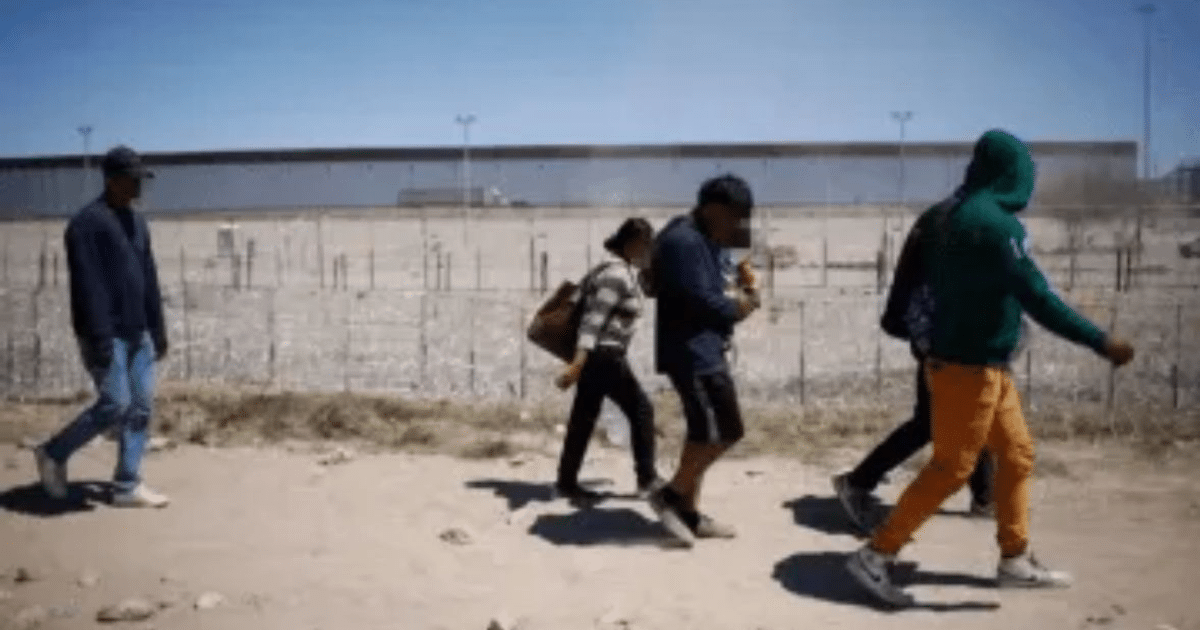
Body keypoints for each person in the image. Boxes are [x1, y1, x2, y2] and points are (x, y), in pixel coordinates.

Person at [846, 130, 1136, 606]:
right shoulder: (996, 226)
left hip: (979, 364)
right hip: (968, 367)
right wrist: (1100, 341)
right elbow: (1039, 299)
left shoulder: (951, 215)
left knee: (1016, 454)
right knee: (952, 468)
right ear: (1013, 175)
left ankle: (1014, 560)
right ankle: (877, 554)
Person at [832, 189, 997, 533]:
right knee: (934, 422)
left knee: (971, 415)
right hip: (943, 346)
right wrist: (934, 347)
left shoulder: (954, 220)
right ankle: (858, 482)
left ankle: (985, 497)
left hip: (951, 344)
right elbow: (926, 295)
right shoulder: (952, 226)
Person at [33, 146, 171, 509]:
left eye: (141, 180)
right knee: (114, 404)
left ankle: (126, 486)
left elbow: (148, 278)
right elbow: (87, 287)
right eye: (132, 180)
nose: (138, 187)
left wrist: (157, 330)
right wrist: (100, 338)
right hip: (106, 334)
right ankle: (52, 453)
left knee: (140, 408)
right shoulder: (86, 226)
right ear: (112, 180)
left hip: (138, 332)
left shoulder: (137, 222)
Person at [646, 174, 761, 547]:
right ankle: (669, 496)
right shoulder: (684, 241)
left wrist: (741, 276)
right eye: (735, 217)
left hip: (704, 348)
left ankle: (690, 514)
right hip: (690, 352)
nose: (738, 226)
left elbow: (720, 274)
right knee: (720, 432)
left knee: (705, 434)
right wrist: (743, 306)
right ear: (713, 209)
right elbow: (703, 301)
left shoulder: (701, 235)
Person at [554, 218, 662, 503]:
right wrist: (577, 362)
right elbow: (593, 321)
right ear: (632, 243)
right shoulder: (616, 275)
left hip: (599, 356)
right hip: (605, 355)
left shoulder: (617, 270)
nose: (647, 251)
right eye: (645, 245)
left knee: (583, 418)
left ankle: (566, 482)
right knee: (641, 410)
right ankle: (647, 479)